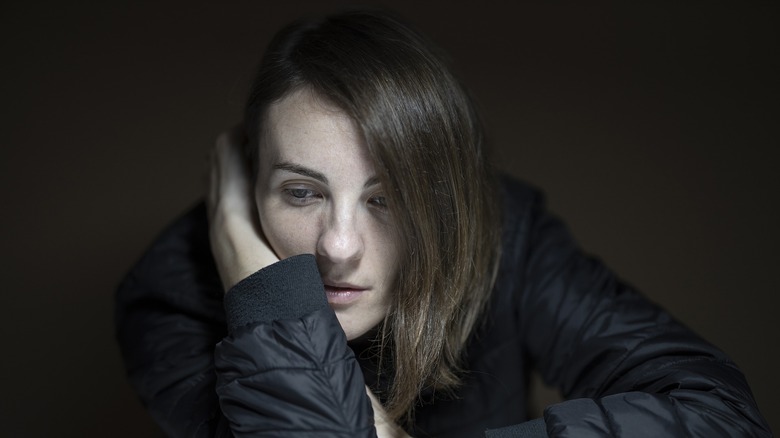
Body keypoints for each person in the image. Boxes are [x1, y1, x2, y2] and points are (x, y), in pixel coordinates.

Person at [115, 10, 771, 438]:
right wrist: (239, 249)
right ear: (250, 177)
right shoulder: (171, 296)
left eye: (387, 198)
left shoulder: (505, 235)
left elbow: (722, 416)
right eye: (301, 193)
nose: (339, 247)